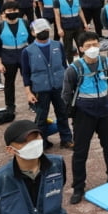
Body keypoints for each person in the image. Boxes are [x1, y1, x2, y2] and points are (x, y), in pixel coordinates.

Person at [62, 31, 108, 205]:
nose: (93, 48)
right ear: (81, 49)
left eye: (95, 44)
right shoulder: (73, 69)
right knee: (80, 151)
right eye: (88, 46)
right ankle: (78, 187)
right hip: (84, 113)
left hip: (105, 109)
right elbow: (66, 94)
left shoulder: (107, 63)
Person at [23, 18, 74, 150]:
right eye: (39, 31)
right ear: (33, 33)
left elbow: (64, 65)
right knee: (41, 117)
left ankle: (66, 139)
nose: (43, 32)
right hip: (40, 89)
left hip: (59, 86)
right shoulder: (27, 51)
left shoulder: (58, 45)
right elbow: (26, 74)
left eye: (45, 29)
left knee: (63, 113)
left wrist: (69, 85)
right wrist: (28, 93)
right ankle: (41, 143)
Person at [0, 0, 31, 118]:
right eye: (9, 10)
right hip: (8, 59)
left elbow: (32, 42)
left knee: (30, 81)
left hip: (25, 57)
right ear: (4, 12)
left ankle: (33, 102)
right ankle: (10, 106)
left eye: (15, 10)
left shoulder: (25, 23)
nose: (12, 12)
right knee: (9, 83)